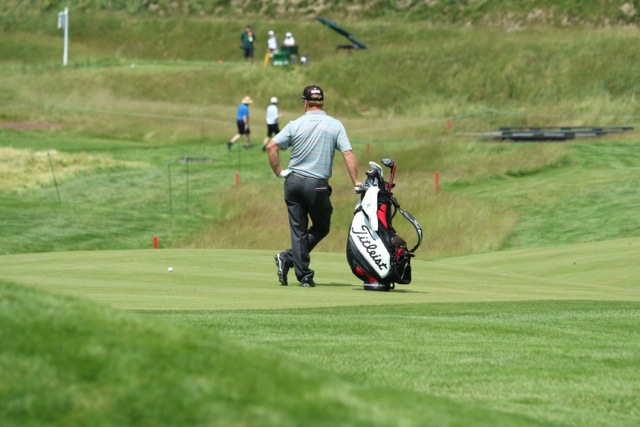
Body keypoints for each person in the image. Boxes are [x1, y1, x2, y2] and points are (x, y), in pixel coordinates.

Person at [267, 85, 360, 287]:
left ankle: (289, 260)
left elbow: (272, 146)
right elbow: (348, 153)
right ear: (322, 102)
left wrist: (279, 172)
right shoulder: (335, 125)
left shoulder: (295, 124)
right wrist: (356, 182)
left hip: (292, 182)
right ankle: (302, 273)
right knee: (321, 227)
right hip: (317, 185)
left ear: (306, 102)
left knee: (298, 231)